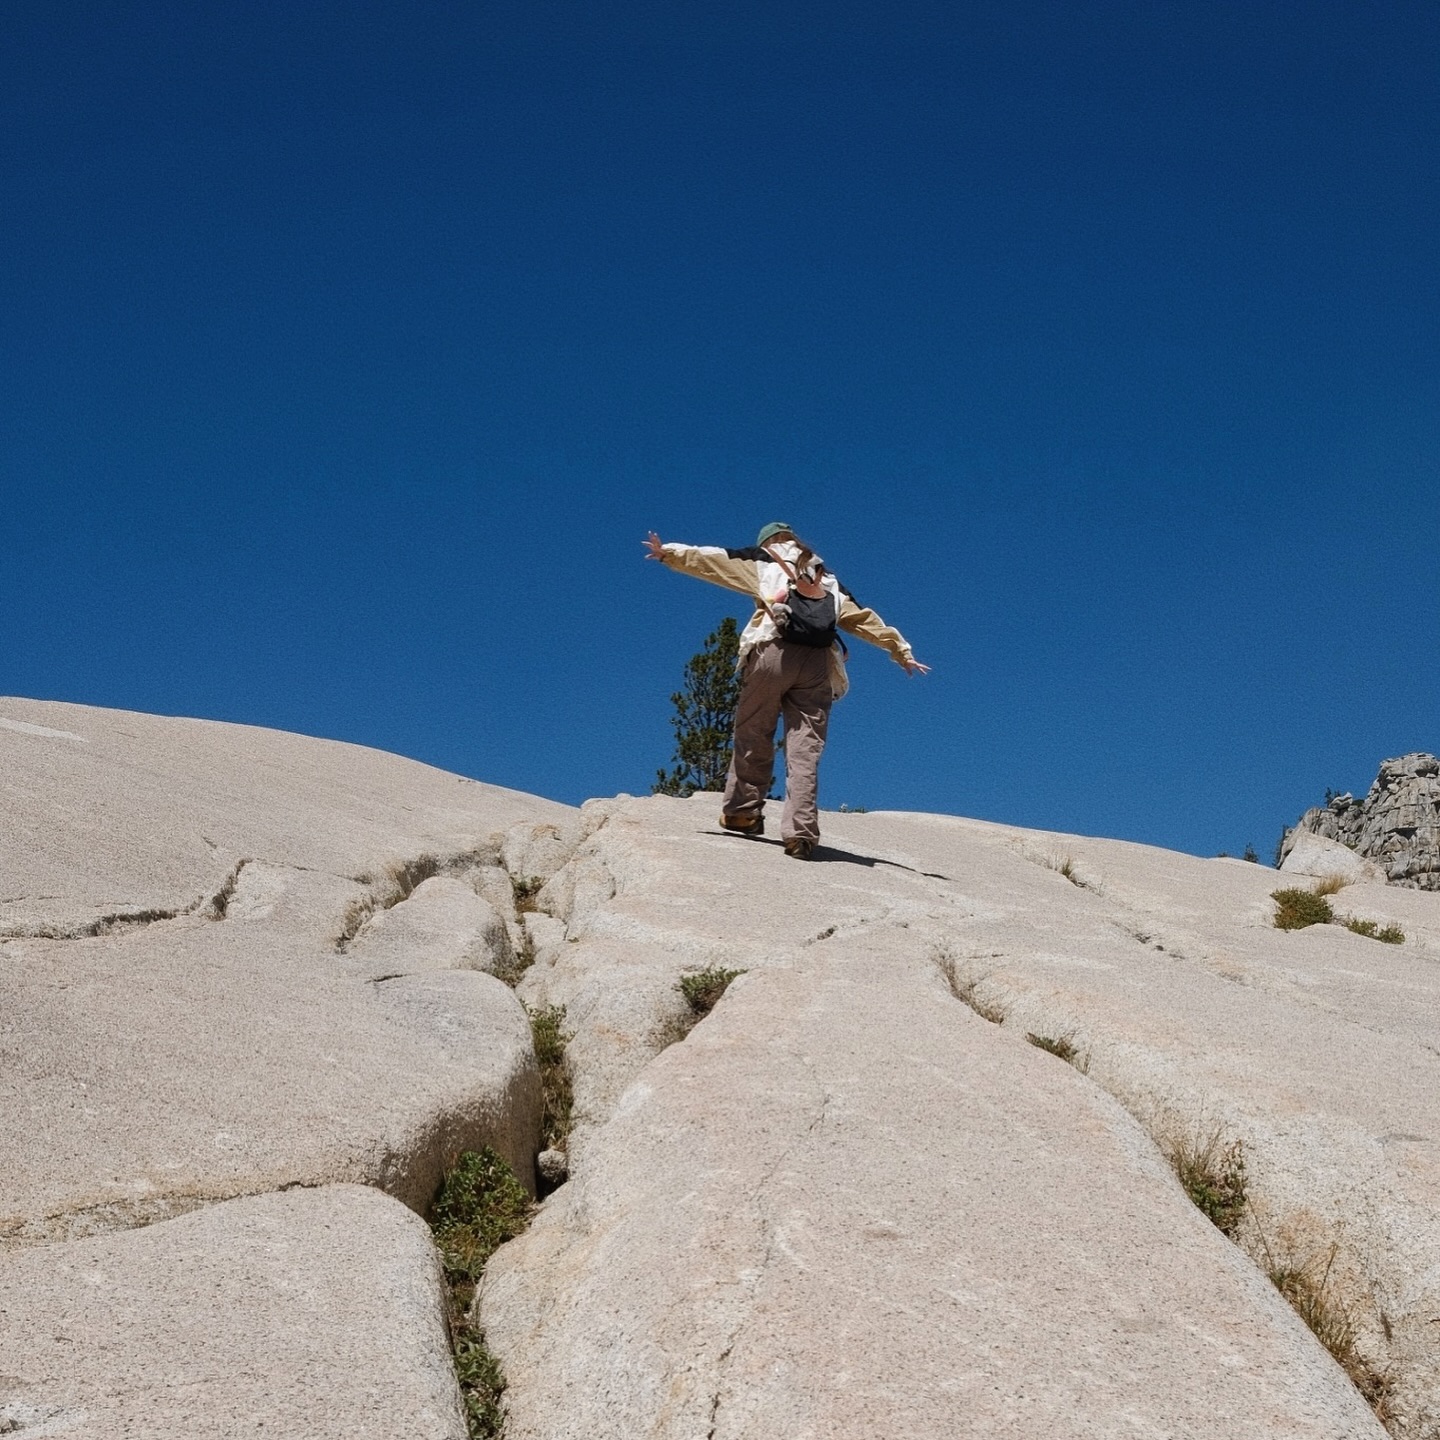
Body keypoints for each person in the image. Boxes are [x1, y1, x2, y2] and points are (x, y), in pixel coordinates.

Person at [644, 522, 928, 860]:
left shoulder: (763, 560)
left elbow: (715, 562)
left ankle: (742, 812)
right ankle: (801, 835)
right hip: (818, 665)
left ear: (768, 542)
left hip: (773, 651)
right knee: (805, 750)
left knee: (754, 730)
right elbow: (864, 619)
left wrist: (669, 554)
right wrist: (901, 651)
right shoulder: (827, 577)